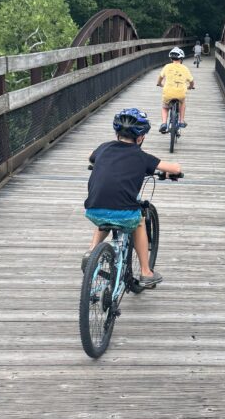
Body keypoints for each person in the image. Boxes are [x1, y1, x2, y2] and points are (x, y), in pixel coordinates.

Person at [83, 108, 181, 286]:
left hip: (93, 209)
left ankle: (91, 252)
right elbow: (174, 169)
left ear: (116, 133)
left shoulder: (104, 147)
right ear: (141, 137)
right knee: (138, 220)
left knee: (108, 213)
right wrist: (174, 170)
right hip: (124, 213)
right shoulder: (142, 157)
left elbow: (90, 157)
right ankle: (145, 272)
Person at [157, 47, 194, 132]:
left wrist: (159, 84)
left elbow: (160, 78)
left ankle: (164, 123)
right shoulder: (184, 68)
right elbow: (191, 81)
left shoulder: (167, 67)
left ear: (171, 58)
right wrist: (191, 86)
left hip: (168, 93)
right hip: (181, 93)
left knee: (164, 107)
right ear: (181, 59)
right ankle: (181, 121)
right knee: (183, 102)